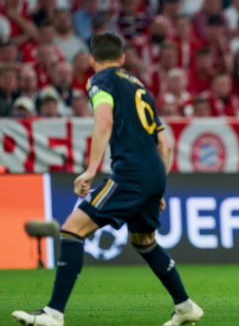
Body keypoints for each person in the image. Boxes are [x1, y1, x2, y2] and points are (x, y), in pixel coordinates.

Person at [11, 32, 203, 326]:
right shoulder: (140, 87)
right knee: (144, 240)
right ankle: (185, 306)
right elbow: (166, 144)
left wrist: (90, 169)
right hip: (153, 173)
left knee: (72, 230)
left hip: (131, 173)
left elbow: (104, 119)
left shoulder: (99, 81)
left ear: (91, 60)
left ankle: (53, 313)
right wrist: (157, 187)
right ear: (123, 58)